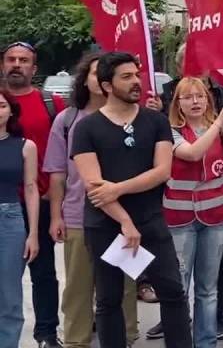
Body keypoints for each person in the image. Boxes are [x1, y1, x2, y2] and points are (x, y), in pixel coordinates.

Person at [70, 51, 192, 348]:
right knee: (109, 299)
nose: (136, 81)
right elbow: (95, 187)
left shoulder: (156, 121)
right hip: (106, 224)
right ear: (107, 85)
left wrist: (119, 188)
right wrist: (124, 221)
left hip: (151, 220)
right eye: (126, 77)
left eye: (136, 75)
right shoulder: (86, 128)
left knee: (173, 291)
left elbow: (162, 171)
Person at [47, 54, 140, 348]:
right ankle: (77, 341)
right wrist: (56, 216)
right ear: (86, 79)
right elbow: (57, 174)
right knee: (78, 287)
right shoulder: (68, 120)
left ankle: (125, 338)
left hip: (125, 217)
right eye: (96, 72)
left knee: (124, 286)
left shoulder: (135, 117)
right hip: (78, 216)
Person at [165, 76, 223, 348]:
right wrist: (220, 123)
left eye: (200, 95)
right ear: (178, 103)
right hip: (179, 218)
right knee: (179, 287)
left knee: (208, 289)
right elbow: (191, 153)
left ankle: (206, 343)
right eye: (188, 97)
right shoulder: (171, 130)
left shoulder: (217, 125)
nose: (195, 101)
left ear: (208, 99)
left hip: (215, 216)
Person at [3, 41, 64, 348]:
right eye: (11, 59)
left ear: (34, 68)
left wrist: (58, 208)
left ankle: (47, 333)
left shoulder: (51, 104)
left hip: (38, 201)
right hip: (3, 203)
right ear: (3, 65)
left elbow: (65, 155)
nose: (17, 64)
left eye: (23, 60)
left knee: (43, 273)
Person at [0, 90, 42, 348]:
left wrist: (33, 233)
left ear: (11, 111)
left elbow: (31, 188)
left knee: (9, 295)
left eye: (2, 105)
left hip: (10, 221)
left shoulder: (25, 146)